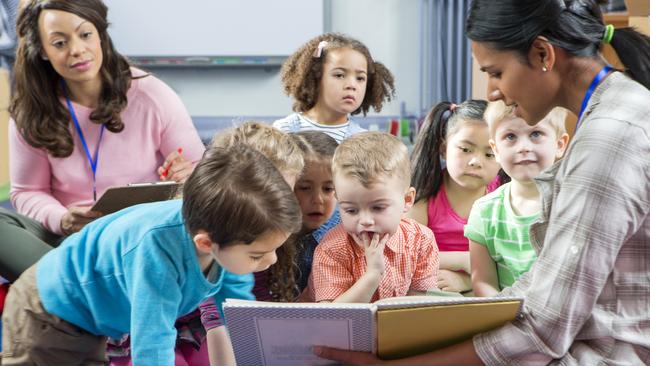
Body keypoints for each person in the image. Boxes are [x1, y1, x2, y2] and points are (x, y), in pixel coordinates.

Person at [314, 0, 650, 364]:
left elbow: (543, 330)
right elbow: (543, 285)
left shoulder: (607, 138)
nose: (491, 92)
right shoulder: (616, 111)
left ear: (542, 54)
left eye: (496, 72)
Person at [2, 143, 302, 365]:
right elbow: (152, 342)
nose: (271, 260)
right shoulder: (156, 251)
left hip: (90, 321)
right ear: (206, 244)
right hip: (48, 313)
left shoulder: (223, 232)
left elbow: (236, 310)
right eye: (257, 255)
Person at [0, 0, 204, 282]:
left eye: (85, 35)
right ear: (43, 52)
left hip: (140, 237)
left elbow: (201, 171)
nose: (76, 50)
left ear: (100, 34)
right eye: (59, 43)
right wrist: (63, 219)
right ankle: (82, 284)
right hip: (69, 241)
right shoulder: (31, 111)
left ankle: (65, 285)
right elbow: (27, 192)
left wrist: (187, 174)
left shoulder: (151, 94)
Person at [108, 121, 307, 366]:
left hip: (196, 328)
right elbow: (168, 330)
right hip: (147, 326)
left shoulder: (269, 231)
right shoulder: (206, 237)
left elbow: (245, 314)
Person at [306, 131, 439, 303]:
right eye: (351, 210)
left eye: (378, 208)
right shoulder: (332, 250)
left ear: (407, 200)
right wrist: (372, 276)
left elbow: (421, 303)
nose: (365, 221)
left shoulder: (421, 240)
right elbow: (333, 318)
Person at [467, 103, 569, 297]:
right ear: (495, 150)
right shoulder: (484, 211)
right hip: (507, 317)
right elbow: (482, 281)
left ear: (559, 144)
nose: (523, 147)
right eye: (511, 137)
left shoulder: (573, 202)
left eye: (536, 134)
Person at [407, 100, 502, 294]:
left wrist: (469, 276)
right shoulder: (423, 196)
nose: (476, 161)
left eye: (489, 154)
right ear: (443, 148)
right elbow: (407, 255)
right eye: (466, 149)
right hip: (433, 290)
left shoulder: (503, 197)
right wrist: (465, 260)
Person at [253, 130, 340, 302]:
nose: (318, 200)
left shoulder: (343, 231)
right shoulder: (264, 231)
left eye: (328, 189)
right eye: (305, 188)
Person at [273, 33, 396, 143]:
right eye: (339, 75)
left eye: (360, 78)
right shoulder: (284, 130)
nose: (351, 85)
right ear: (316, 77)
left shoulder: (362, 141)